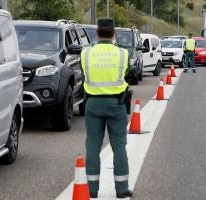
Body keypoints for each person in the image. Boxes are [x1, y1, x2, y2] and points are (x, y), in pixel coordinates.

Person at [81, 18, 133, 199]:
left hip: (93, 104)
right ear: (114, 33)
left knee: (93, 146)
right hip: (117, 105)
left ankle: (91, 190)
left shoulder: (85, 53)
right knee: (119, 146)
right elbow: (126, 72)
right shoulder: (122, 54)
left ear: (96, 32)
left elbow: (84, 73)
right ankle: (122, 190)